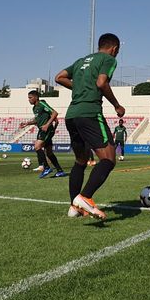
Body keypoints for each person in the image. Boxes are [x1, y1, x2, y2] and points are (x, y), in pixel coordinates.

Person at [55, 33, 125, 220]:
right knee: (109, 159)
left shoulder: (81, 61)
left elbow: (59, 77)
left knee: (80, 160)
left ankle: (74, 207)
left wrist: (78, 88)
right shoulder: (108, 59)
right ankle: (85, 197)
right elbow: (101, 82)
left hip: (72, 115)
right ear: (114, 49)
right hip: (90, 113)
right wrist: (117, 105)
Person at [19, 90, 65, 178]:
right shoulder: (34, 108)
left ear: (36, 97)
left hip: (46, 129)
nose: (29, 100)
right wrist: (26, 123)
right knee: (49, 153)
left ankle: (46, 167)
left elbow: (54, 113)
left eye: (30, 98)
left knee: (37, 146)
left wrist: (47, 125)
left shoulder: (42, 104)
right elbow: (37, 120)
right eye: (28, 98)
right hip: (42, 130)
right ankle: (60, 171)